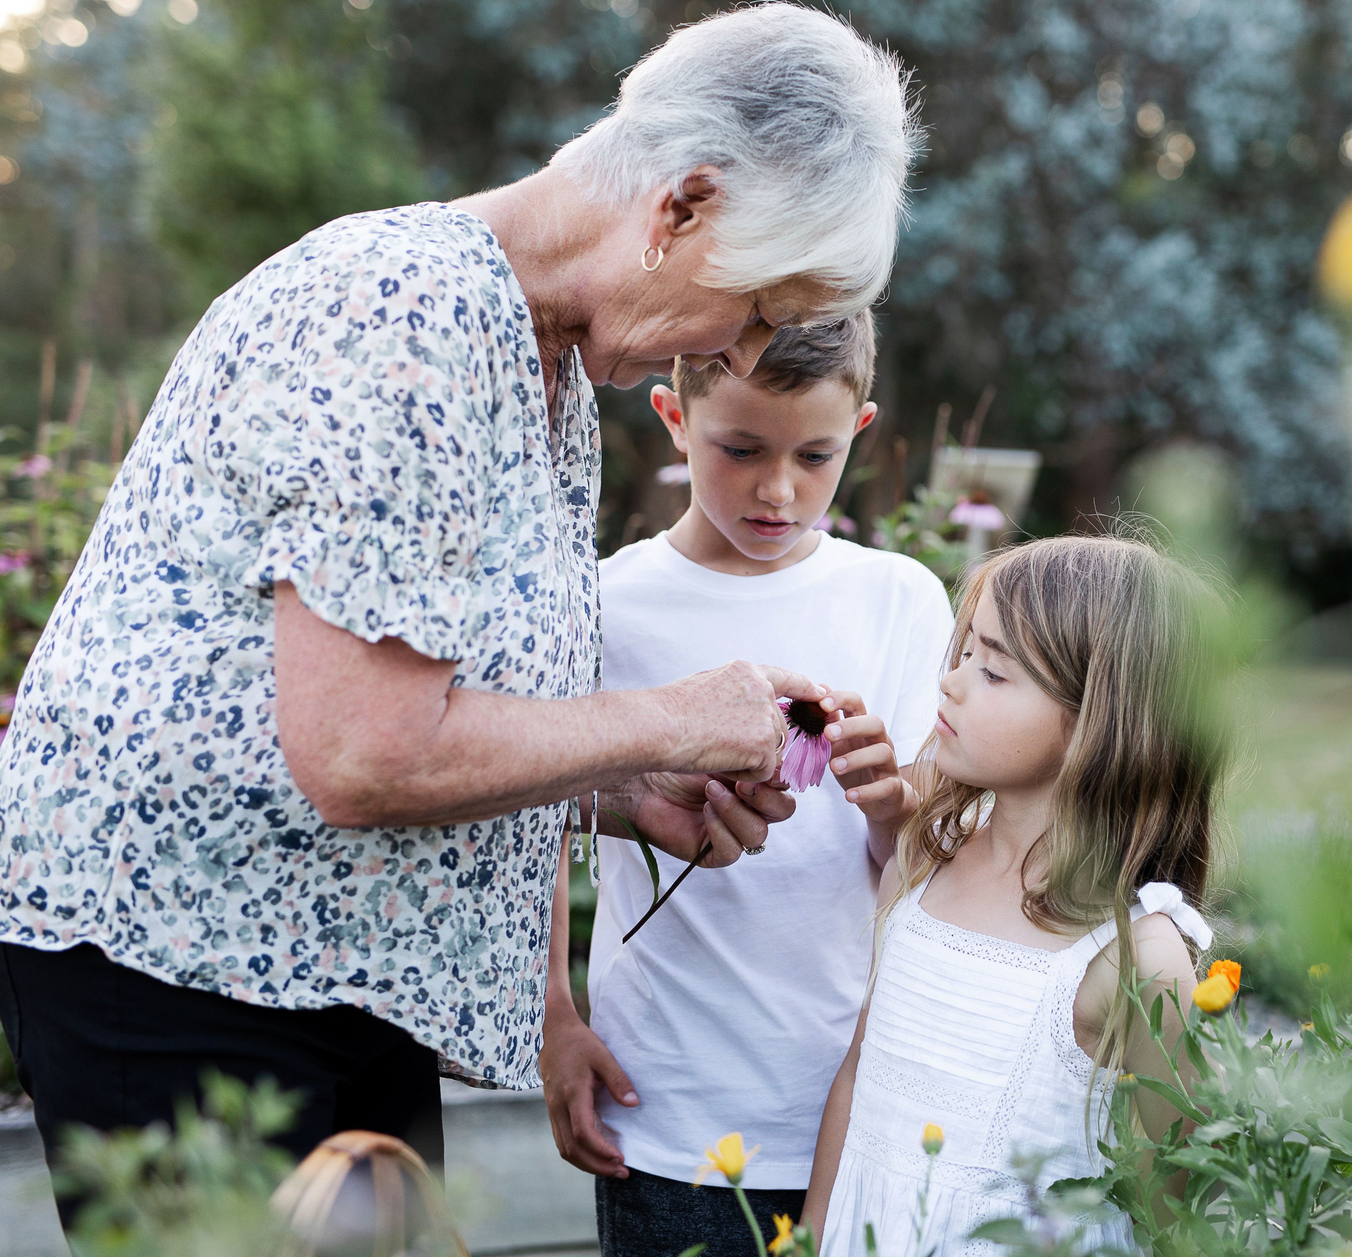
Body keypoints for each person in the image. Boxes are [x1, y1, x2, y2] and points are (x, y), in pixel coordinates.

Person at [0, 3, 919, 1212]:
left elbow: (435, 711)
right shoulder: (406, 313)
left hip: (332, 964)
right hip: (188, 957)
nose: (736, 346)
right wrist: (673, 723)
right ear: (680, 209)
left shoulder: (544, 361)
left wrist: (624, 796)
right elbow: (361, 753)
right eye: (752, 309)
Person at [540, 312, 954, 1256]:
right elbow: (537, 822)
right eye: (741, 449)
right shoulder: (605, 605)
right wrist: (554, 1018)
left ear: (860, 428)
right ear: (674, 418)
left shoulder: (897, 601)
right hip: (669, 1102)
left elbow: (933, 864)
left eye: (815, 455)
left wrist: (893, 801)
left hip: (852, 1097)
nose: (779, 489)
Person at [802, 534, 1227, 1257]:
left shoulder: (1138, 954)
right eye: (964, 652)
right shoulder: (922, 860)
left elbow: (1172, 1198)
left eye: (994, 671)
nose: (952, 682)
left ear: (1102, 722)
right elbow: (857, 1071)